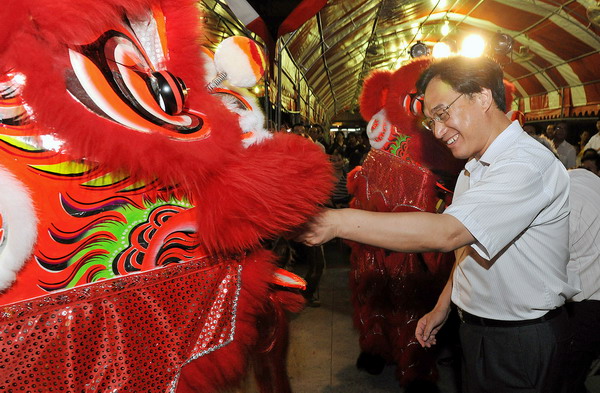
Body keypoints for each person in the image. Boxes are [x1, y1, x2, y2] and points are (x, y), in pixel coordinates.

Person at [297, 56, 576, 393]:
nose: (439, 132)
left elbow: (448, 233)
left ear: (483, 97)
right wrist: (444, 305)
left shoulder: (526, 164)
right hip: (479, 330)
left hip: (521, 338)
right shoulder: (476, 167)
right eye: (431, 122)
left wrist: (337, 221)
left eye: (443, 114)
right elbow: (468, 250)